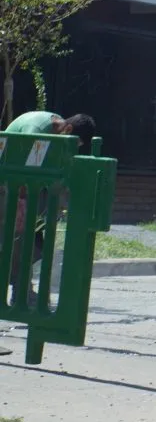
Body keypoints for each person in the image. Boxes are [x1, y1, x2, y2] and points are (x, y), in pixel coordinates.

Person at [3, 111, 97, 304]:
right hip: (7, 186)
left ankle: (22, 291)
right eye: (75, 142)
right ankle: (22, 293)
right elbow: (25, 167)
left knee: (34, 242)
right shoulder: (36, 130)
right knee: (18, 241)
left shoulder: (55, 130)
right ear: (68, 129)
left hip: (22, 189)